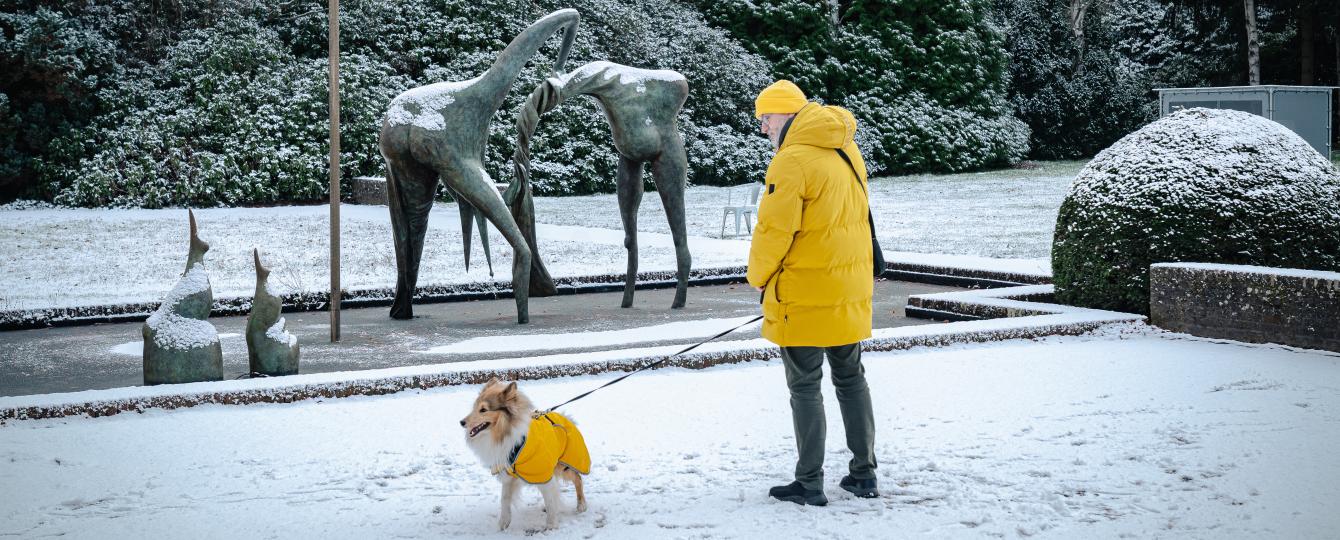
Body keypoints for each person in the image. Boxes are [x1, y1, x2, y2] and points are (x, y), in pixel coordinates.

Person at [747, 79, 878, 506]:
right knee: (851, 378)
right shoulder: (845, 147)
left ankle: (808, 483)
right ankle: (864, 474)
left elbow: (773, 231)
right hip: (848, 285)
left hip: (804, 290)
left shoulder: (791, 161)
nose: (763, 128)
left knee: (804, 385)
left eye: (765, 118)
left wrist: (758, 278)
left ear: (785, 114)